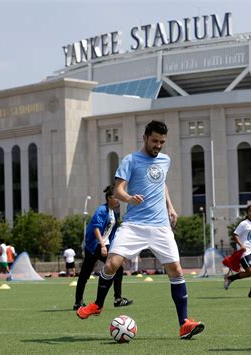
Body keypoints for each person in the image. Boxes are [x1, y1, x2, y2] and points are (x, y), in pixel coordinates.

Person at [77, 120, 204, 340]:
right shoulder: (130, 160)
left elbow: (161, 183)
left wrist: (171, 207)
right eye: (155, 141)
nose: (158, 145)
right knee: (112, 264)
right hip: (134, 224)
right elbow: (117, 190)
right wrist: (129, 199)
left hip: (161, 226)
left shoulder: (165, 160)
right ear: (145, 137)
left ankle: (184, 324)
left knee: (176, 270)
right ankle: (97, 305)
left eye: (162, 142)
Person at [73, 184, 132, 310]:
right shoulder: (101, 210)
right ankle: (78, 302)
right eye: (116, 197)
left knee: (118, 268)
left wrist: (114, 248)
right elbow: (96, 228)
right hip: (94, 246)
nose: (118, 200)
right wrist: (102, 245)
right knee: (85, 274)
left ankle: (118, 298)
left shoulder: (114, 213)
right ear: (110, 198)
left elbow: (111, 233)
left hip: (104, 245)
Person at [223, 204, 251, 298]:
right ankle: (230, 278)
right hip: (244, 252)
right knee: (250, 272)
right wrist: (241, 245)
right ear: (247, 213)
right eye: (250, 211)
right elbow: (235, 235)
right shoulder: (244, 223)